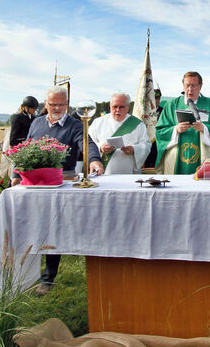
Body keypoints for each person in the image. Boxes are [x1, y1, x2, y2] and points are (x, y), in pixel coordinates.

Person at [20, 86, 104, 295]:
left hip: (60, 184)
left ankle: (47, 278)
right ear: (45, 104)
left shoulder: (75, 125)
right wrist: (15, 174)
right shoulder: (36, 123)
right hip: (34, 184)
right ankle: (23, 274)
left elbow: (87, 144)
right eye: (53, 104)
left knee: (52, 229)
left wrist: (94, 160)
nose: (57, 108)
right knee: (31, 226)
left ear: (67, 104)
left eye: (61, 104)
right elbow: (25, 149)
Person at [154, 72, 210, 175]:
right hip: (175, 156)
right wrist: (175, 130)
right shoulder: (171, 105)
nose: (190, 89)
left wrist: (205, 129)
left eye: (193, 85)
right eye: (187, 85)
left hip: (204, 154)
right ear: (183, 85)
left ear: (200, 86)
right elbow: (160, 130)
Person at [88, 93, 151, 174]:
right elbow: (88, 144)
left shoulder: (138, 124)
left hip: (129, 173)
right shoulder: (98, 123)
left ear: (128, 107)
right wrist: (100, 147)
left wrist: (134, 149)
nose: (117, 110)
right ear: (110, 106)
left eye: (121, 107)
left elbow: (146, 145)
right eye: (115, 106)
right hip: (103, 172)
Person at [142, 88, 163, 171]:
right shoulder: (143, 112)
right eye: (152, 98)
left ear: (159, 99)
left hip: (158, 144)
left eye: (156, 98)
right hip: (146, 143)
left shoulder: (164, 111)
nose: (154, 100)